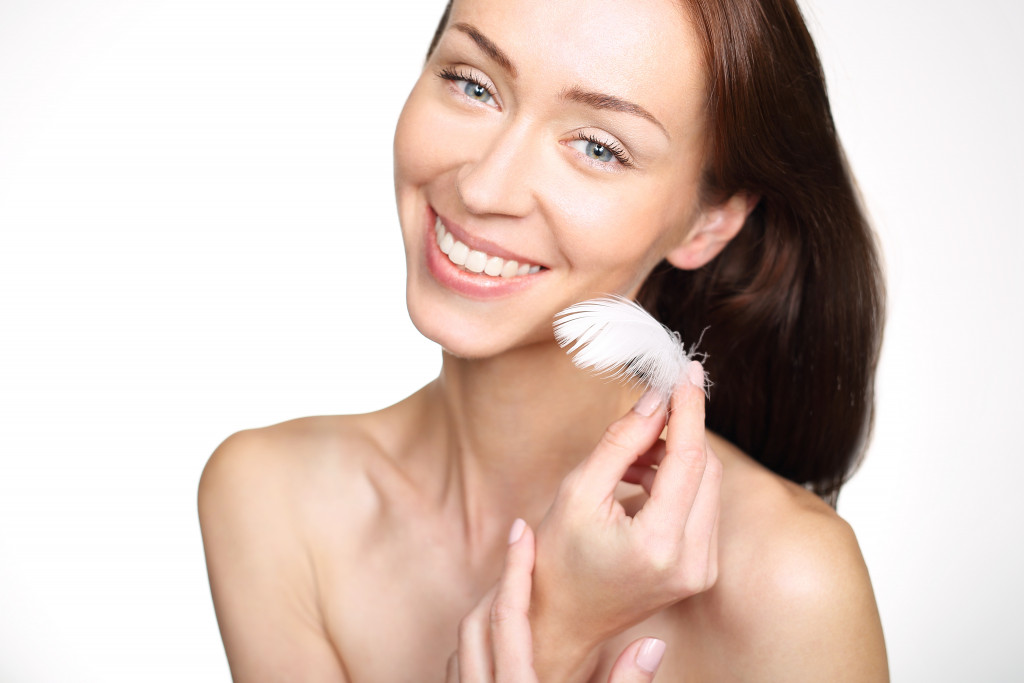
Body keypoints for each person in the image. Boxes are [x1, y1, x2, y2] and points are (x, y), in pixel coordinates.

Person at [198, 0, 888, 679]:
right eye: (473, 84)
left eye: (598, 147)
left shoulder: (793, 587)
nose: (484, 186)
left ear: (708, 222)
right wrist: (555, 628)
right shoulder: (271, 499)